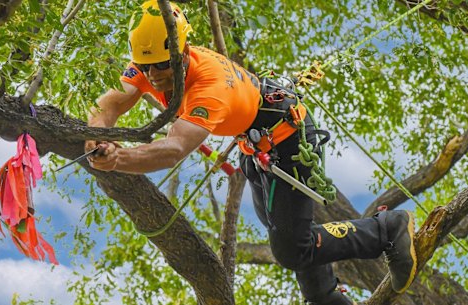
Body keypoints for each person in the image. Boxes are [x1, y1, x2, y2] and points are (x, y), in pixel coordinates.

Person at [85, 1, 417, 304]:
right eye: (146, 68)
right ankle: (326, 297)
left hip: (287, 140)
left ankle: (387, 229)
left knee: (290, 249)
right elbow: (110, 103)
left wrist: (119, 159)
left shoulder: (209, 86)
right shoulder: (148, 65)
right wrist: (96, 138)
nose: (153, 77)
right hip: (257, 143)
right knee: (282, 229)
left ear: (181, 50)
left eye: (160, 66)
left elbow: (174, 149)